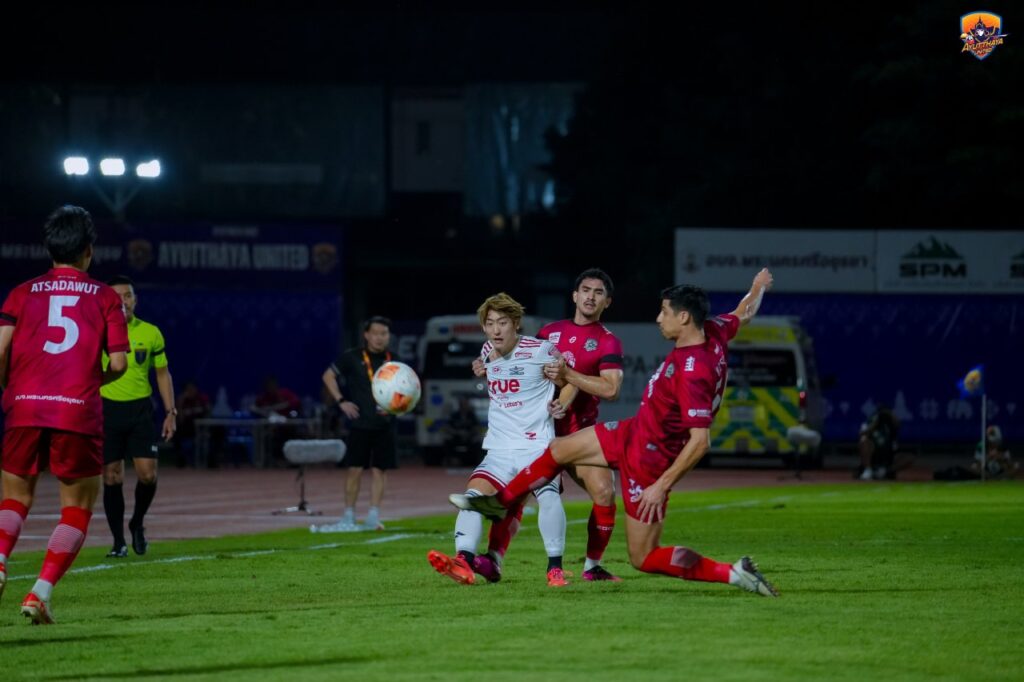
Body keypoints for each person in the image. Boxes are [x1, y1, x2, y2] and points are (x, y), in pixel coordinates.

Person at [451, 269, 780, 597]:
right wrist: (757, 287)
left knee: (644, 556)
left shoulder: (695, 370)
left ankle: (733, 573)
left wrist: (661, 485)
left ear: (682, 317)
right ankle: (498, 507)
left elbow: (700, 441)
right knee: (558, 450)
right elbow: (743, 312)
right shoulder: (714, 329)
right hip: (631, 430)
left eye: (664, 312)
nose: (657, 318)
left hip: (647, 457)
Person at [0, 205, 129, 624]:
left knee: (15, 499)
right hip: (76, 411)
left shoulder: (21, 293)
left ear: (49, 249)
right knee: (75, 508)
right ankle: (39, 592)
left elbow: (1, 349)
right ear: (88, 251)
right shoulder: (107, 297)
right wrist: (88, 383)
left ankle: (0, 558)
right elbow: (120, 364)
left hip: (24, 406)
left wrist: (13, 388)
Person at [428, 293, 577, 587]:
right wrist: (480, 365)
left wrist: (564, 402)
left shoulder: (541, 350)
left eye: (503, 323)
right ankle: (464, 562)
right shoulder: (487, 349)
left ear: (516, 324)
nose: (496, 330)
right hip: (499, 449)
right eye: (490, 323)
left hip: (537, 447)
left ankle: (555, 569)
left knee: (548, 497)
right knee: (471, 499)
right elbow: (486, 363)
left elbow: (570, 378)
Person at [537, 267, 625, 582]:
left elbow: (611, 389)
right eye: (585, 290)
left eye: (598, 292)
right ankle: (482, 557)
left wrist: (569, 376)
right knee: (512, 496)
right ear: (575, 295)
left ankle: (592, 567)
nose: (590, 296)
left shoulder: (607, 342)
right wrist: (487, 361)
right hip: (541, 432)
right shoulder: (548, 332)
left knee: (604, 492)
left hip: (579, 435)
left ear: (607, 302)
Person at [100, 275, 176, 558]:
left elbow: (162, 373)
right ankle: (118, 542)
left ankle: (137, 523)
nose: (123, 301)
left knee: (147, 475)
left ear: (135, 299)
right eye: (116, 296)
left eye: (128, 295)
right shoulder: (98, 332)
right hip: (107, 409)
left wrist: (171, 412)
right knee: (112, 476)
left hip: (141, 410)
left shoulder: (151, 332)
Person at [320, 316, 396, 531]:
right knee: (354, 469)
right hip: (360, 424)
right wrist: (341, 401)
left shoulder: (393, 361)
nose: (380, 338)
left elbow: (407, 390)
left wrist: (399, 407)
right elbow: (328, 376)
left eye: (384, 334)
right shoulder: (352, 357)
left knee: (380, 471)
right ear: (366, 335)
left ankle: (373, 516)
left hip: (385, 424)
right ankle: (348, 516)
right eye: (376, 333)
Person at [857, 406, 900, 481]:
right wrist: (874, 425)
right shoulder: (870, 422)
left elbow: (898, 424)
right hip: (873, 455)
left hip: (886, 454)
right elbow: (862, 434)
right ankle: (868, 470)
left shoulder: (889, 426)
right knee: (864, 441)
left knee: (909, 457)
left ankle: (884, 472)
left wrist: (890, 415)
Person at [174, 380, 210, 468]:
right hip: (186, 429)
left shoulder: (201, 399)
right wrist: (181, 401)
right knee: (176, 433)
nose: (191, 391)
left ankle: (206, 461)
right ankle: (181, 459)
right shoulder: (182, 401)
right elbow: (180, 419)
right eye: (188, 389)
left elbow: (208, 413)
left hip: (200, 429)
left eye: (193, 389)